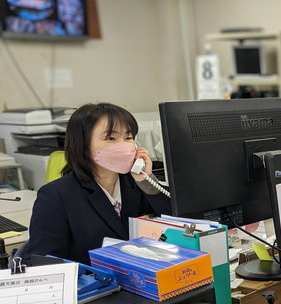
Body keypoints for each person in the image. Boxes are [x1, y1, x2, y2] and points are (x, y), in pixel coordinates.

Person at [22, 102, 171, 265]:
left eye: (128, 137)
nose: (124, 145)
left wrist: (146, 180)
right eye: (111, 138)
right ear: (83, 144)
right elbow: (43, 263)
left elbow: (180, 223)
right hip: (94, 286)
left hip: (142, 278)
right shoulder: (55, 196)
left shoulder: (137, 183)